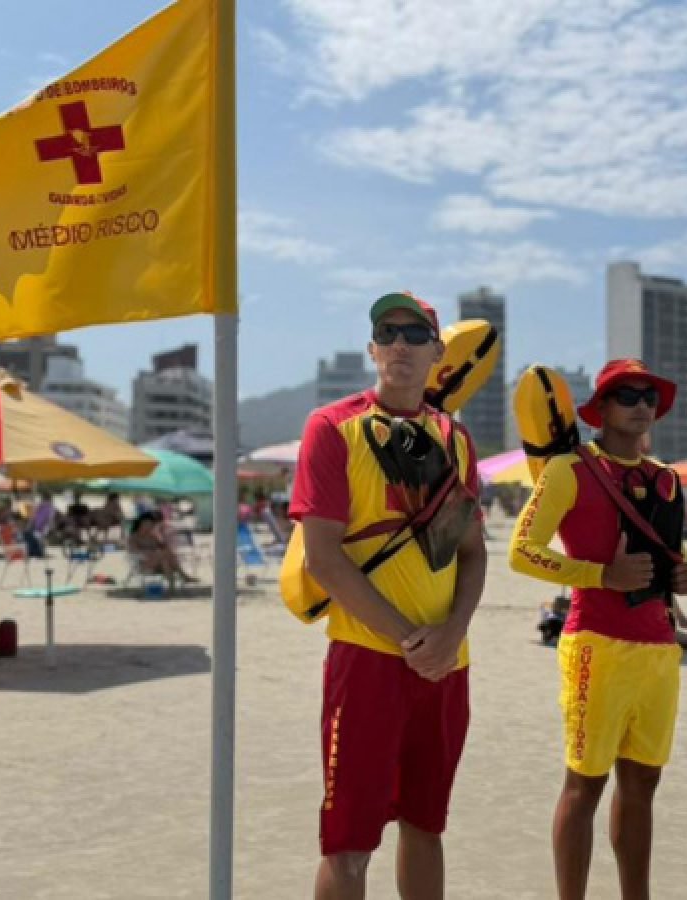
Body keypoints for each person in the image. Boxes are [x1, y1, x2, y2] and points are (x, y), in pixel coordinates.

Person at [289, 292, 487, 900]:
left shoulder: (454, 440)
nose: (400, 344)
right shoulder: (333, 428)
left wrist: (449, 636)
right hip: (368, 659)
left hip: (446, 666)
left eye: (414, 334)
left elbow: (473, 553)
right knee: (349, 842)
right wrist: (410, 639)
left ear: (437, 355)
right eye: (387, 332)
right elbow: (324, 557)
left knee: (426, 826)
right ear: (373, 349)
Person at [508, 358, 687, 900]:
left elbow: (673, 557)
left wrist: (682, 577)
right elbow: (523, 552)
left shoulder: (667, 479)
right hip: (596, 642)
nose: (642, 406)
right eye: (628, 395)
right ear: (602, 408)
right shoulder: (570, 470)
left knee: (643, 783)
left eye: (650, 397)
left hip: (659, 647)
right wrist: (599, 575)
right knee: (585, 782)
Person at [127, 512, 198, 591]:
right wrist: (151, 552)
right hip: (143, 563)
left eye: (150, 525)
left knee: (165, 559)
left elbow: (163, 546)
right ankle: (183, 576)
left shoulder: (152, 536)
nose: (148, 527)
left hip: (158, 562)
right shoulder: (134, 537)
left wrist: (160, 542)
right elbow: (134, 551)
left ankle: (172, 586)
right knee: (163, 554)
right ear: (140, 524)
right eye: (146, 524)